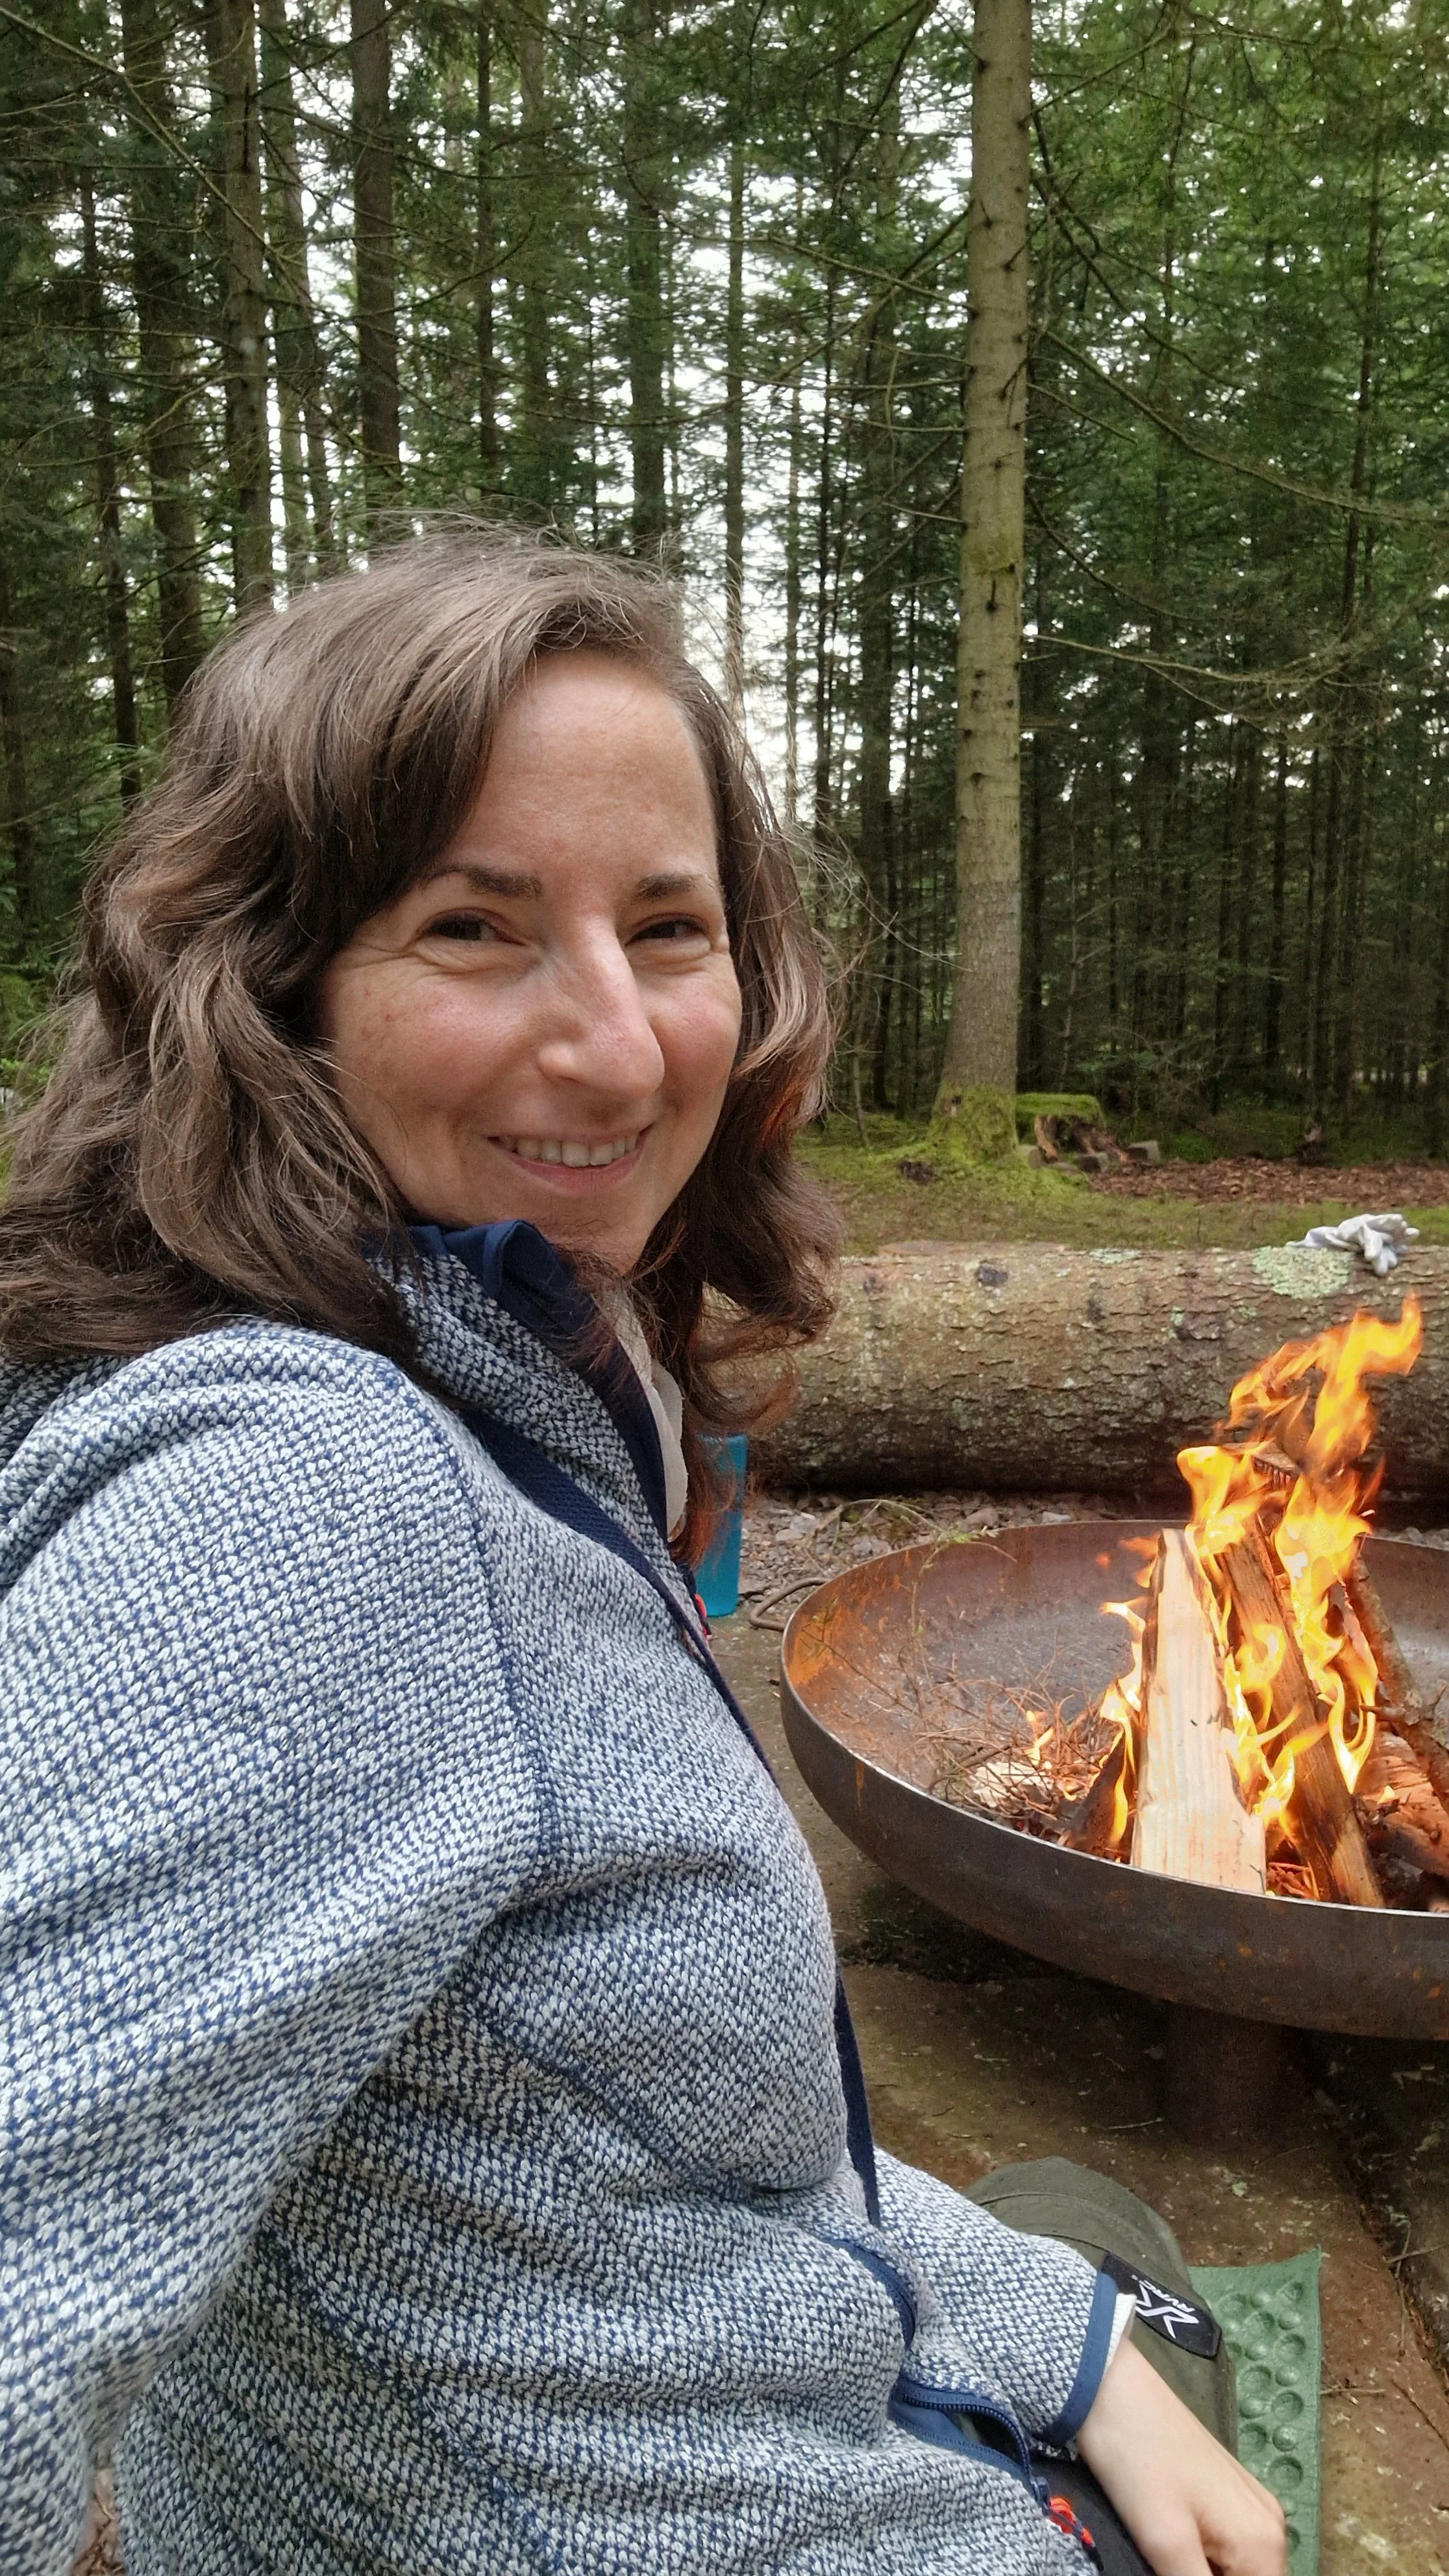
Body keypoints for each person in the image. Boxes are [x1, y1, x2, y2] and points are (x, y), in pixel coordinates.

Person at [0, 534, 1285, 2576]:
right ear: (268, 986)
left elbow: (669, 2151)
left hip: (588, 2419)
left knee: (1092, 2261)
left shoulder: (500, 1368)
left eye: (668, 927)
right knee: (1145, 2257)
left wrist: (1064, 2351)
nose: (620, 1048)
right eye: (475, 928)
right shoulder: (304, 1500)